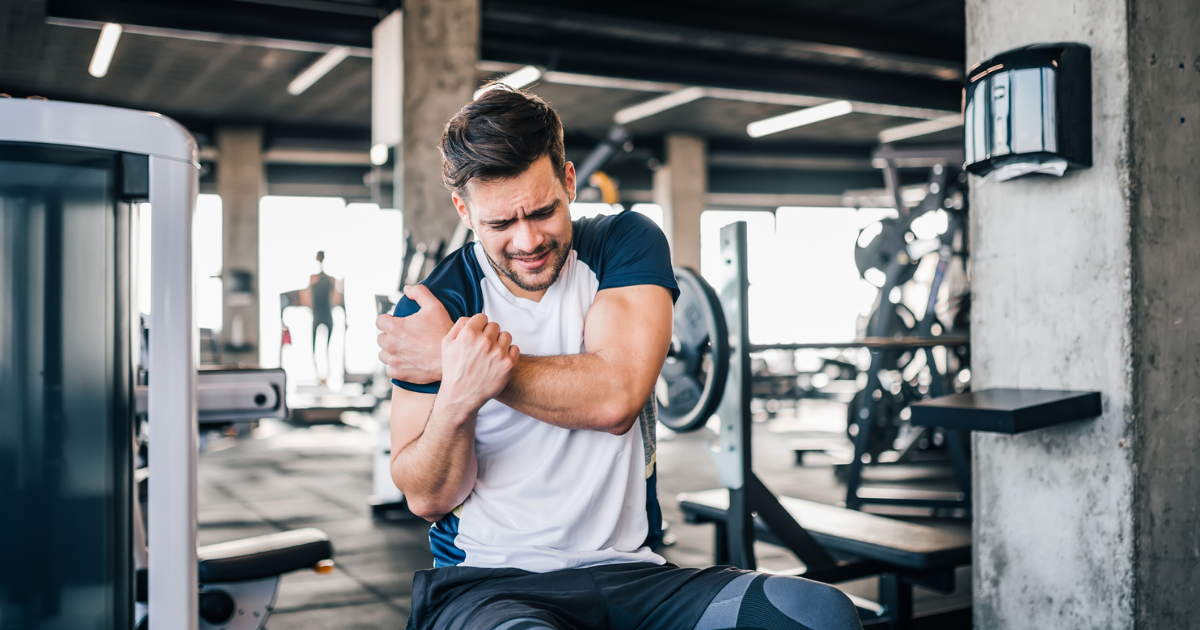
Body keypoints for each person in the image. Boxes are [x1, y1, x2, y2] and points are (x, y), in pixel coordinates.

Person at [375, 85, 862, 630]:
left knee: (818, 615)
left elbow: (616, 398)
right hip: (490, 585)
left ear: (569, 181)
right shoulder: (436, 306)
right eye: (501, 224)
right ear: (465, 210)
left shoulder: (623, 243)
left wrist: (462, 364)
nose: (529, 239)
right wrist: (459, 394)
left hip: (635, 575)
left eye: (542, 211)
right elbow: (427, 496)